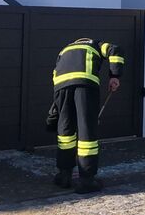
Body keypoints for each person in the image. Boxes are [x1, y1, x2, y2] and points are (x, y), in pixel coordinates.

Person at [50, 38, 124, 194]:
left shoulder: (65, 49)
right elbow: (115, 49)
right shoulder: (95, 45)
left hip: (60, 87)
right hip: (85, 85)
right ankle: (87, 181)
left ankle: (64, 175)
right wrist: (115, 75)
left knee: (65, 133)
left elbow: (56, 70)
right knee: (86, 133)